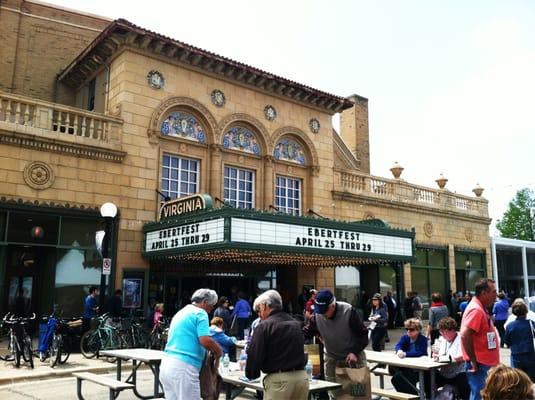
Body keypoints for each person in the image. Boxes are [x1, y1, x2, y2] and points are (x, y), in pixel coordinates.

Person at [303, 289, 369, 400]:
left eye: (325, 311)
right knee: (334, 395)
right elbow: (307, 333)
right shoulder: (317, 316)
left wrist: (354, 351)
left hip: (353, 358)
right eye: (320, 311)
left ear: (333, 305)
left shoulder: (348, 311)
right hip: (331, 358)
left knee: (359, 395)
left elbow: (363, 335)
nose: (322, 314)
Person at [160, 288, 223, 400]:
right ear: (204, 302)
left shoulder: (181, 312)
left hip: (167, 364)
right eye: (211, 306)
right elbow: (205, 340)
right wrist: (218, 350)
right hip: (184, 367)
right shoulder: (200, 313)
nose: (211, 310)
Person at [245, 290, 308, 400]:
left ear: (265, 306)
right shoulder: (296, 324)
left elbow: (255, 354)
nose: (259, 315)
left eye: (258, 310)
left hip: (279, 380)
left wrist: (251, 373)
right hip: (301, 378)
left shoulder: (264, 326)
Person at [460, 278, 499, 400]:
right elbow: (465, 335)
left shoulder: (480, 307)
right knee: (480, 395)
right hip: (481, 364)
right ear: (483, 293)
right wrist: (473, 361)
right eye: (493, 291)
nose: (496, 295)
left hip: (484, 363)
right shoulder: (476, 309)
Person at [431, 317, 470, 399]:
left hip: (458, 373)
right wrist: (434, 353)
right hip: (443, 373)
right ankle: (429, 396)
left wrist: (444, 358)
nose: (443, 334)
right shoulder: (441, 339)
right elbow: (434, 352)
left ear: (453, 330)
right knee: (427, 377)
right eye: (441, 332)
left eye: (446, 332)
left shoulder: (462, 338)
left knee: (464, 380)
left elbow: (463, 356)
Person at [391, 318, 428, 396]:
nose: (408, 331)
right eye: (407, 329)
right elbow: (398, 345)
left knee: (399, 378)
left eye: (411, 329)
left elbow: (420, 352)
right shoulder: (405, 337)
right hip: (406, 367)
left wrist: (405, 354)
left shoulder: (423, 339)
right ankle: (408, 395)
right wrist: (399, 350)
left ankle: (413, 396)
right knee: (396, 378)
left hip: (419, 368)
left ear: (418, 330)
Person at [504, 298, 535, 380]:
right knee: (531, 380)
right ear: (526, 311)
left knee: (518, 380)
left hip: (516, 356)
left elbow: (507, 342)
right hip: (530, 355)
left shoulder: (510, 326)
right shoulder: (531, 323)